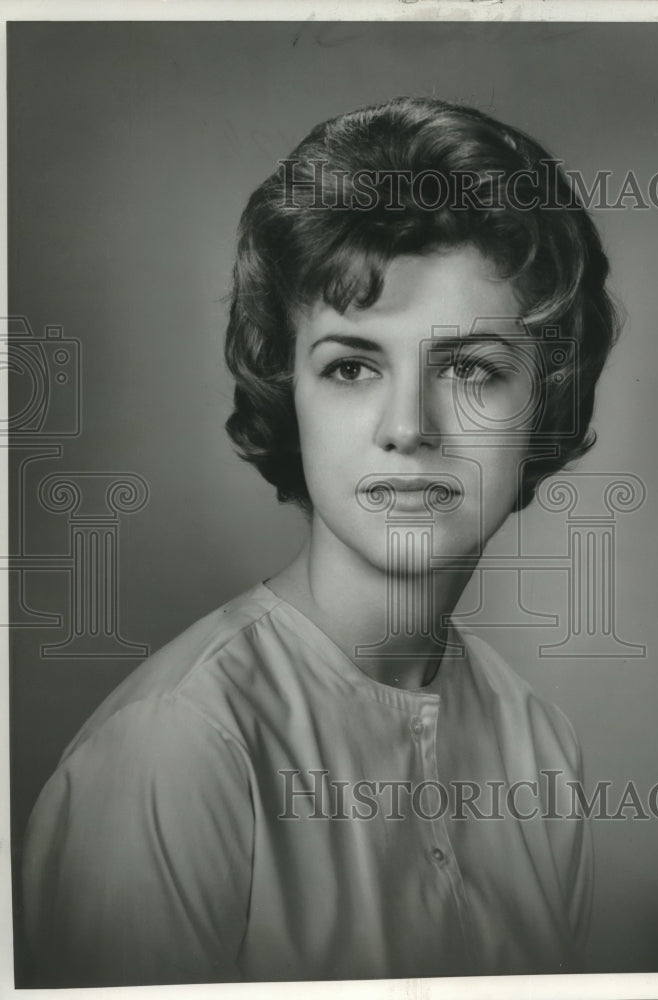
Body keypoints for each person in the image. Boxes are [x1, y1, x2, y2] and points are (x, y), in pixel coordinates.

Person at [22, 96, 619, 986]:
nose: (408, 427)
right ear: (286, 394)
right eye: (351, 366)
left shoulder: (540, 747)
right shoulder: (176, 752)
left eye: (470, 368)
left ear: (546, 404)